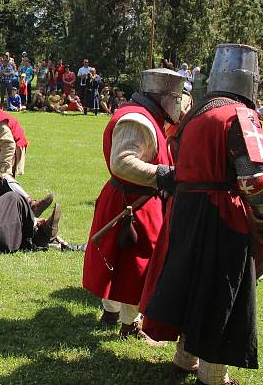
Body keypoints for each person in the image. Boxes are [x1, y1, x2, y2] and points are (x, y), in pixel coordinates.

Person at [140, 45, 263, 384]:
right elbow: (252, 178)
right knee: (220, 293)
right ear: (250, 80)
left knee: (193, 286)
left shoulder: (196, 114)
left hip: (187, 211)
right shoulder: (240, 115)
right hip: (222, 215)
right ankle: (214, 375)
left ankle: (184, 358)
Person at [82, 68, 184, 344]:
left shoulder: (148, 116)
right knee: (132, 266)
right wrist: (164, 175)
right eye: (176, 97)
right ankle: (128, 322)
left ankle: (113, 312)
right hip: (132, 204)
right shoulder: (137, 120)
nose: (179, 103)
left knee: (122, 263)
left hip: (133, 201)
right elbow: (123, 162)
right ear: (162, 96)